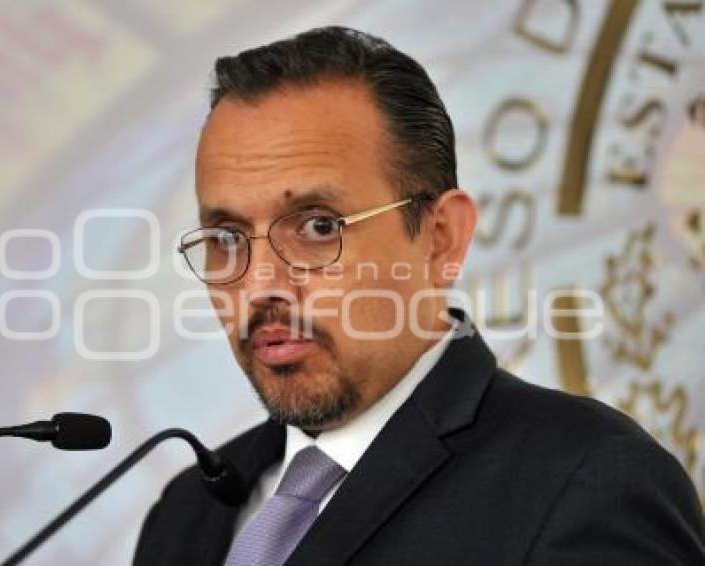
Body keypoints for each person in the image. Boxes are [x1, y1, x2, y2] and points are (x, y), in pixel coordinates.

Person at [134, 27, 704, 565]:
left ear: (441, 238)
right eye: (227, 239)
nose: (260, 285)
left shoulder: (585, 481)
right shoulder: (185, 513)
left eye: (318, 227)